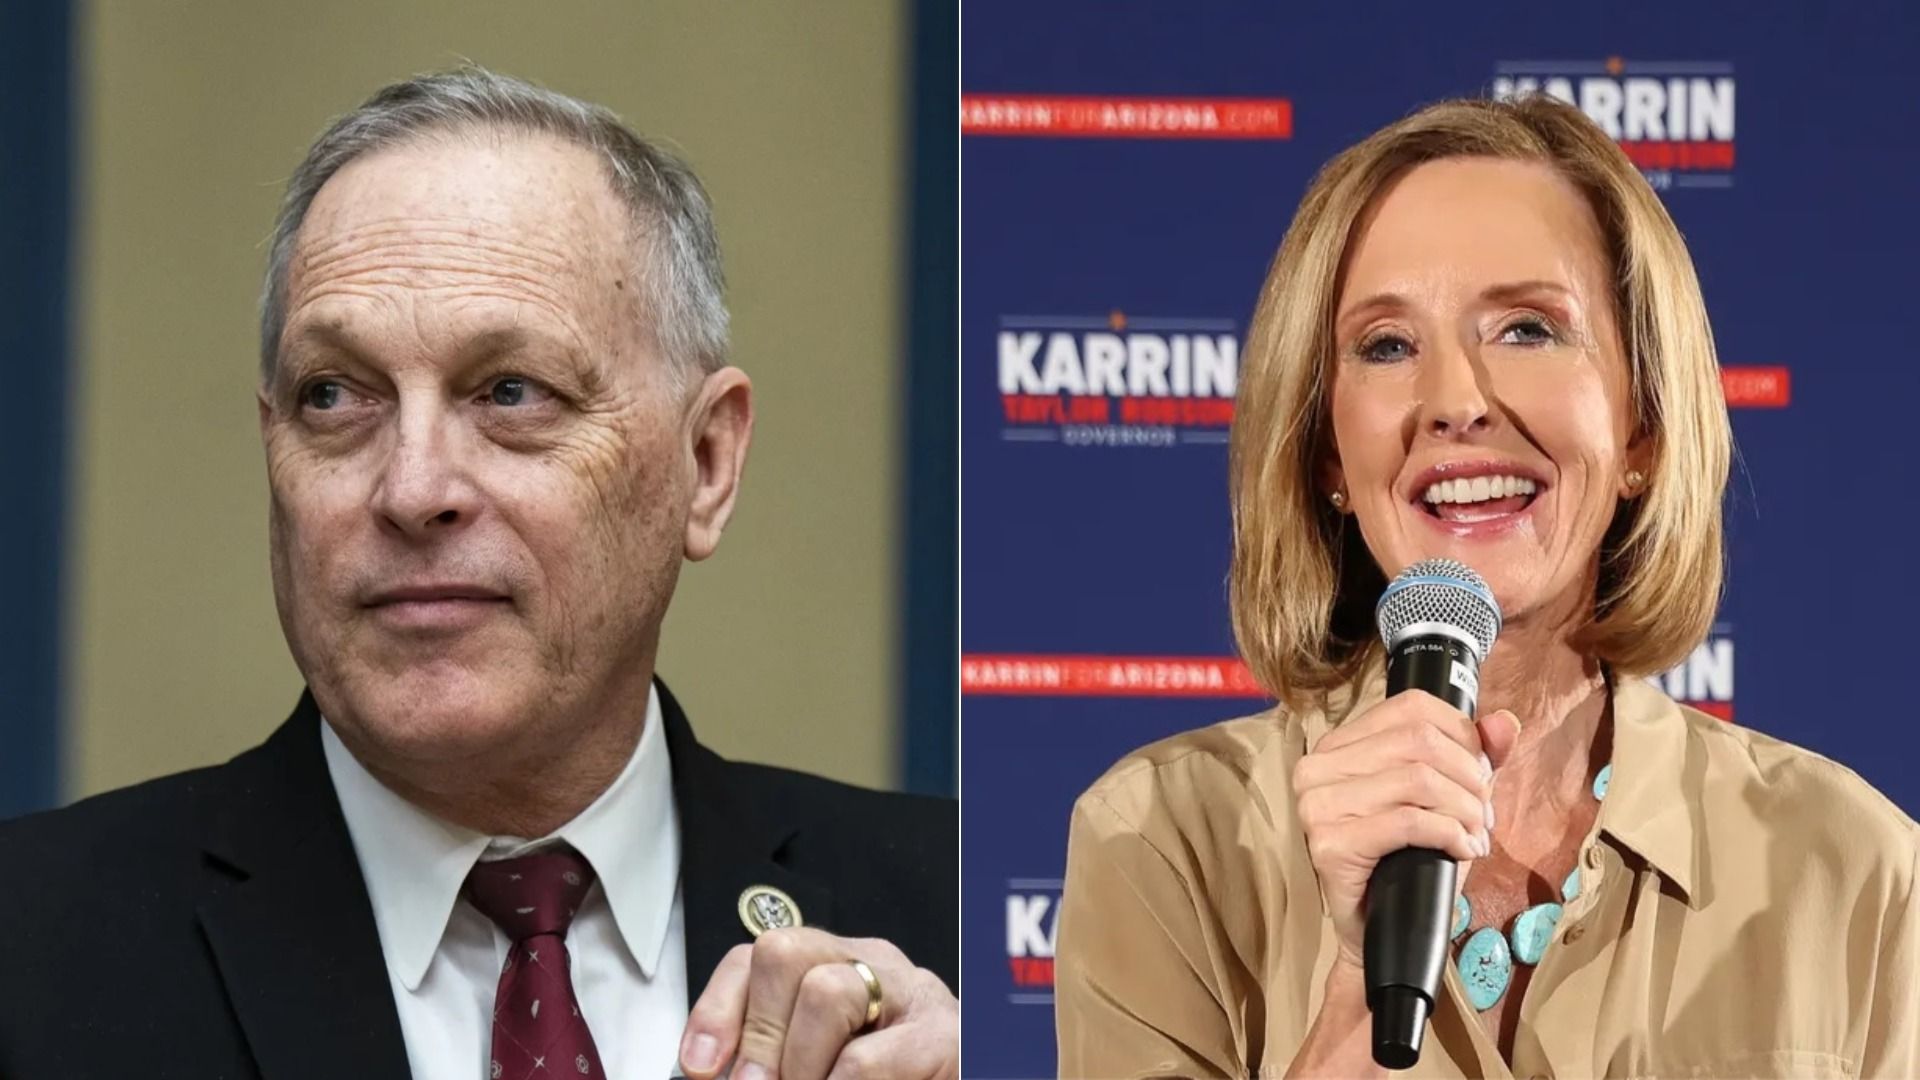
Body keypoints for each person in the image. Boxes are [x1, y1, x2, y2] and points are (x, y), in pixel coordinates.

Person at [0, 68, 957, 1080]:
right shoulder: (30, 952)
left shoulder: (989, 931)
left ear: (706, 465)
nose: (414, 489)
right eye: (333, 396)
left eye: (511, 392)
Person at [1054, 94, 1918, 1079]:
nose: (1457, 402)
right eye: (1387, 345)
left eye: (1527, 330)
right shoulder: (1162, 844)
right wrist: (1353, 983)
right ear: (1329, 452)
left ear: (1641, 426)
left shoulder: (1858, 872)